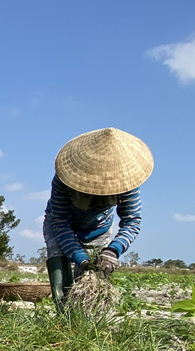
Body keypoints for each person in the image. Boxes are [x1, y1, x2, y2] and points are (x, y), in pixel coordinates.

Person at [42, 127, 152, 306]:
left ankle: (86, 317)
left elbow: (132, 221)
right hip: (60, 222)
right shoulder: (63, 180)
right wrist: (79, 257)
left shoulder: (127, 183)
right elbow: (60, 223)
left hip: (98, 228)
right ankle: (62, 316)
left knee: (94, 275)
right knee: (59, 264)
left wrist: (113, 250)